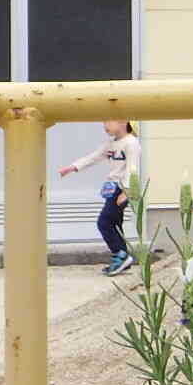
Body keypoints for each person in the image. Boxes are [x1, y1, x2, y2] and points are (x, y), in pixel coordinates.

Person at [60, 118, 142, 276]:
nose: (105, 125)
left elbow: (133, 169)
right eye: (103, 122)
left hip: (121, 189)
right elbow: (94, 157)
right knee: (115, 224)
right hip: (112, 187)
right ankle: (122, 257)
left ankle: (120, 255)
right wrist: (73, 167)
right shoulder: (111, 143)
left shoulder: (131, 143)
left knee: (104, 223)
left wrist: (126, 192)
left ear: (123, 121)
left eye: (108, 121)